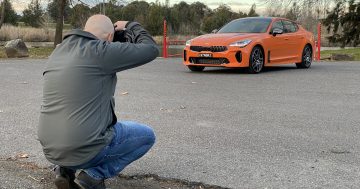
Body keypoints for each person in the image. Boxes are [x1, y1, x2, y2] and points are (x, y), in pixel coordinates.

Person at [38, 14, 159, 189]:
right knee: (147, 136)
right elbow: (150, 49)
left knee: (74, 121)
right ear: (110, 37)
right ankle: (93, 176)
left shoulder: (58, 51)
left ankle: (64, 170)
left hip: (50, 148)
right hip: (84, 146)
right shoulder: (100, 50)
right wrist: (131, 25)